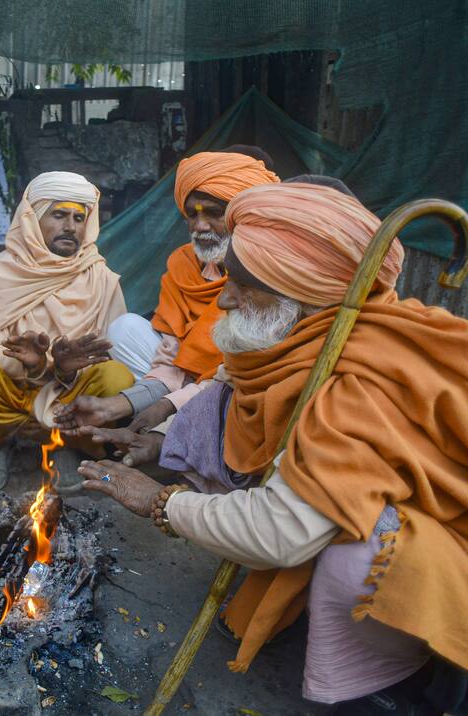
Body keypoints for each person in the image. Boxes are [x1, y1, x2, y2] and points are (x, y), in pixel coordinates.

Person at [80, 183, 468, 713]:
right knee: (216, 404)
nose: (224, 297)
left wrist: (158, 502)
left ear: (302, 293)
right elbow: (217, 393)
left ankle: (398, 680)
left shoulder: (355, 383)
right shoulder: (303, 338)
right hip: (321, 511)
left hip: (434, 561)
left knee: (360, 556)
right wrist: (156, 437)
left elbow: (280, 531)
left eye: (242, 285)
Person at [57, 150, 278, 436]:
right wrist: (114, 406)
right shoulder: (183, 263)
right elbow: (170, 360)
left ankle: (180, 429)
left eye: (213, 213)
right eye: (191, 215)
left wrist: (165, 406)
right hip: (187, 377)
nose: (199, 226)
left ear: (244, 213)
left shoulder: (271, 272)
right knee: (124, 329)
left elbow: (236, 374)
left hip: (241, 385)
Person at [0, 171, 133, 494]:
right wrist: (34, 366)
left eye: (79, 218)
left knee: (118, 379)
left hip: (72, 396)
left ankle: (65, 441)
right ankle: (1, 440)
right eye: (59, 215)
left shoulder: (101, 276)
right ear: (33, 218)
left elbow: (111, 351)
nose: (71, 227)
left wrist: (65, 370)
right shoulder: (1, 270)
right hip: (14, 389)